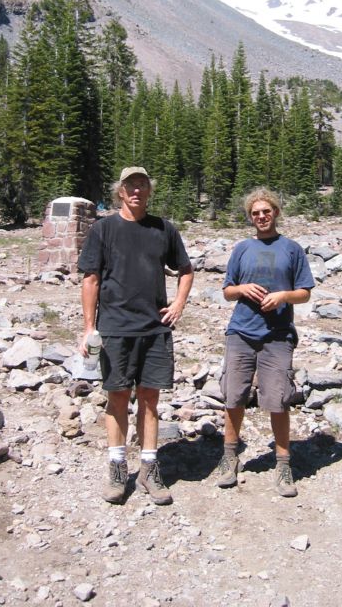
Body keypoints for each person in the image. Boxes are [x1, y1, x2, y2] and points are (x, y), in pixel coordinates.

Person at [78, 166, 194, 506]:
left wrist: (178, 304)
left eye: (143, 185)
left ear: (149, 191)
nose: (137, 191)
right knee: (116, 399)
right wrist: (88, 327)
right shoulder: (104, 229)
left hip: (154, 329)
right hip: (114, 328)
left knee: (150, 399)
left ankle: (148, 466)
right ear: (120, 191)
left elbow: (185, 270)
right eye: (131, 186)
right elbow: (91, 279)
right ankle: (117, 467)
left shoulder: (163, 229)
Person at [217, 187, 314, 497]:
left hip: (278, 335)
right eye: (255, 212)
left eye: (266, 211)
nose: (261, 216)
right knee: (234, 395)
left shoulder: (292, 249)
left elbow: (305, 292)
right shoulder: (242, 249)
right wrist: (243, 289)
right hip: (241, 332)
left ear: (276, 212)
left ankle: (283, 462)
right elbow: (227, 290)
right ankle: (229, 457)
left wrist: (283, 296)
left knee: (278, 399)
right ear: (250, 217)